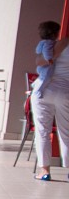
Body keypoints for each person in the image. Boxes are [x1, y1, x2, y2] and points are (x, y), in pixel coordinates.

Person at [30, 21, 69, 181]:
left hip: (43, 90)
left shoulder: (50, 45)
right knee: (66, 132)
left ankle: (44, 170)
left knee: (42, 131)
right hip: (65, 92)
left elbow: (39, 61)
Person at [33, 20, 60, 100]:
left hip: (41, 67)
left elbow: (38, 51)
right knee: (46, 78)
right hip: (47, 67)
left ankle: (36, 84)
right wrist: (49, 59)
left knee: (43, 77)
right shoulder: (49, 42)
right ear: (53, 34)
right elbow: (46, 51)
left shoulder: (43, 42)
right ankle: (39, 91)